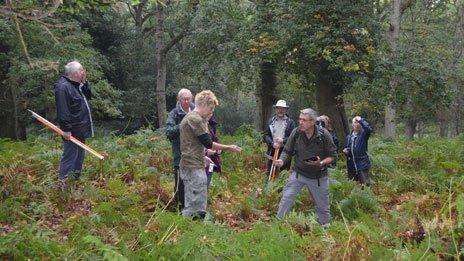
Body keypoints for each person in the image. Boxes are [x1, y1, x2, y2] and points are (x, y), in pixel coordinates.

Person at [179, 90, 241, 219]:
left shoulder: (191, 117)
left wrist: (203, 157)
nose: (211, 113)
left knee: (193, 199)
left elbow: (192, 143)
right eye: (211, 109)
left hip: (192, 163)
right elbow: (208, 143)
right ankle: (192, 227)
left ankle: (190, 227)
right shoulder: (195, 119)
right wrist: (229, 147)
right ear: (203, 105)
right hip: (192, 167)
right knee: (195, 202)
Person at [274, 108, 337, 226]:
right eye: (300, 119)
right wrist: (281, 161)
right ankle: (277, 225)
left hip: (318, 177)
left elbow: (333, 156)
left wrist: (321, 163)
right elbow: (287, 151)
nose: (300, 122)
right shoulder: (296, 132)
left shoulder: (324, 135)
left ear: (312, 122)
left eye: (304, 120)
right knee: (286, 198)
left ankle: (325, 229)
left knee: (322, 206)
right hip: (298, 174)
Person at [54, 61, 93, 191]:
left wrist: (84, 83)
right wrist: (66, 129)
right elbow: (63, 109)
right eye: (82, 70)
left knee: (79, 158)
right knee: (70, 156)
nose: (84, 72)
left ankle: (73, 184)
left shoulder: (78, 85)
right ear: (75, 73)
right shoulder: (63, 87)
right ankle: (62, 185)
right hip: (71, 130)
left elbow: (89, 96)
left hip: (81, 129)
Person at [166, 88, 194, 211]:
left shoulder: (196, 111)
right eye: (184, 99)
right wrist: (182, 124)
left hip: (196, 155)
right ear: (179, 99)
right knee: (180, 185)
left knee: (195, 183)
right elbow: (169, 133)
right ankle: (180, 211)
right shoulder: (174, 114)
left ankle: (194, 209)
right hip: (180, 155)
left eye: (189, 99)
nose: (187, 101)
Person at [264, 100, 296, 172]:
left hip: (285, 151)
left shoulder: (291, 123)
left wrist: (283, 141)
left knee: (283, 173)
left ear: (286, 110)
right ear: (275, 109)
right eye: (278, 108)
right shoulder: (270, 121)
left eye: (283, 108)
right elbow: (266, 135)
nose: (280, 110)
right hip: (272, 150)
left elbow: (293, 137)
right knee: (270, 172)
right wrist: (272, 143)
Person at [343, 116, 372, 186]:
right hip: (351, 166)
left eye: (358, 122)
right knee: (353, 187)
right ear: (352, 124)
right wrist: (346, 151)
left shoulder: (363, 135)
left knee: (366, 186)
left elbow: (369, 129)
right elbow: (349, 149)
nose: (357, 124)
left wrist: (361, 120)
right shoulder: (348, 137)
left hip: (362, 164)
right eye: (355, 122)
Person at [204, 114, 221, 187]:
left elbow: (215, 140)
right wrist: (206, 151)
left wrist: (219, 149)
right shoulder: (198, 125)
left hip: (212, 160)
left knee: (207, 181)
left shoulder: (212, 125)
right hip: (202, 160)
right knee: (202, 183)